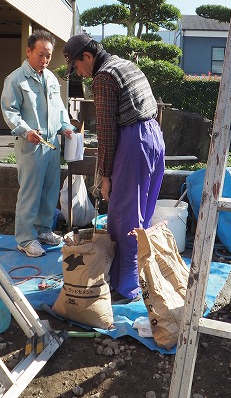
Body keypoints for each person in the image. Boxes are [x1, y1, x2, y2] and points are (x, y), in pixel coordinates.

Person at [63, 33, 165, 303]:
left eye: (76, 66)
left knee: (123, 218)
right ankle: (140, 275)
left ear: (87, 56)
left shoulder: (104, 77)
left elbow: (107, 132)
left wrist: (104, 176)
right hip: (154, 135)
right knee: (143, 213)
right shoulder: (124, 64)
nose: (79, 74)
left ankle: (126, 287)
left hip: (134, 141)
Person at [1, 30, 74, 257]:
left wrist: (66, 126)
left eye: (49, 56)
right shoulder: (15, 79)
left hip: (52, 144)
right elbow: (9, 111)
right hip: (31, 145)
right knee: (30, 193)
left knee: (50, 191)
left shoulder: (51, 78)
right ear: (29, 51)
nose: (45, 60)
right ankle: (24, 238)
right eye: (40, 55)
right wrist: (25, 131)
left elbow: (60, 107)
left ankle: (43, 230)